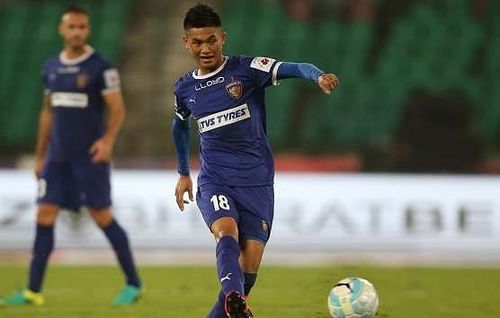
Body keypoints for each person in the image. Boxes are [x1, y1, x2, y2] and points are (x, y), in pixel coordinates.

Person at [172, 4, 338, 318]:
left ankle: (236, 298)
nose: (205, 49)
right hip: (215, 179)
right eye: (197, 42)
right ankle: (234, 296)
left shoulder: (246, 70)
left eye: (211, 40)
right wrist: (183, 173)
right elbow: (179, 124)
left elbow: (295, 66)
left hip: (257, 182)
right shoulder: (184, 88)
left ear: (223, 37)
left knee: (246, 278)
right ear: (186, 42)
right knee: (226, 232)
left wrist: (317, 76)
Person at [0, 5, 143, 306]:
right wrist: (40, 156)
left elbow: (117, 109)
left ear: (87, 30)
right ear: (62, 30)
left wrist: (107, 142)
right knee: (44, 214)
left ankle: (133, 282)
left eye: (81, 27)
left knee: (102, 216)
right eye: (71, 27)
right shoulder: (50, 67)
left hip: (89, 158)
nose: (76, 32)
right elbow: (47, 114)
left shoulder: (101, 67)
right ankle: (32, 291)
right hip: (57, 159)